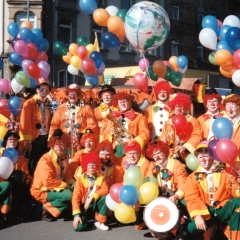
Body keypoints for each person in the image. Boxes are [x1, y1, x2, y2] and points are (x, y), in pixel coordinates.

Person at [184, 142, 240, 240]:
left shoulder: (224, 171)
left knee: (238, 203)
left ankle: (234, 237)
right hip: (205, 211)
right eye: (200, 157)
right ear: (197, 159)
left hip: (223, 208)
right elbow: (191, 197)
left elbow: (233, 190)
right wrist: (197, 216)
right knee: (191, 227)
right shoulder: (191, 178)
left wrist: (238, 189)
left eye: (206, 155)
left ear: (212, 156)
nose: (203, 159)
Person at [30, 129, 73, 222]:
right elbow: (48, 181)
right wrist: (66, 185)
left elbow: (68, 176)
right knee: (69, 195)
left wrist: (76, 185)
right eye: (57, 144)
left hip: (57, 186)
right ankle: (46, 209)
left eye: (62, 144)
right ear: (52, 145)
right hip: (43, 190)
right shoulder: (46, 159)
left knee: (78, 189)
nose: (59, 147)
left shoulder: (64, 157)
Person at [49, 84, 98, 158]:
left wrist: (82, 135)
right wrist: (52, 139)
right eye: (70, 94)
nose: (72, 96)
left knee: (79, 159)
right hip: (64, 140)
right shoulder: (61, 108)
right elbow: (54, 124)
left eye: (75, 94)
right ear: (67, 95)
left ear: (78, 95)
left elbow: (92, 124)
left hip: (80, 140)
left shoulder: (86, 108)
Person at [19, 78, 52, 176]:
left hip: (46, 137)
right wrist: (27, 141)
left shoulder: (47, 104)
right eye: (42, 88)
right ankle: (32, 181)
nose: (44, 91)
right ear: (37, 89)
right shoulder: (29, 103)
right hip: (35, 138)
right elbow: (25, 122)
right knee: (33, 162)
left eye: (47, 89)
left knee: (44, 161)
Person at [72, 152, 109, 231]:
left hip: (95, 203)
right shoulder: (80, 179)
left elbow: (105, 189)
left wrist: (92, 196)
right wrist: (77, 215)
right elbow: (75, 197)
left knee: (104, 197)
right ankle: (87, 217)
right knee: (78, 228)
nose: (92, 167)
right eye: (89, 165)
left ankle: (99, 221)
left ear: (97, 166)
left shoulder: (101, 177)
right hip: (84, 206)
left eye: (94, 165)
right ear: (86, 166)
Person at [161, 92, 202, 160]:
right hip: (170, 156)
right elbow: (163, 136)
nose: (178, 108)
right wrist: (163, 140)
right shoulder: (168, 122)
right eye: (176, 106)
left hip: (187, 156)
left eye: (181, 106)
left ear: (185, 107)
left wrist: (184, 147)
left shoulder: (193, 121)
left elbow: (197, 136)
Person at [110, 92, 150, 157]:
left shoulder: (139, 116)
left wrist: (134, 142)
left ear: (129, 103)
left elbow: (145, 134)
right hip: (118, 148)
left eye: (124, 102)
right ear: (117, 105)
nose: (122, 104)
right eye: (120, 102)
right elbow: (106, 134)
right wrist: (111, 133)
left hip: (133, 149)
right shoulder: (113, 117)